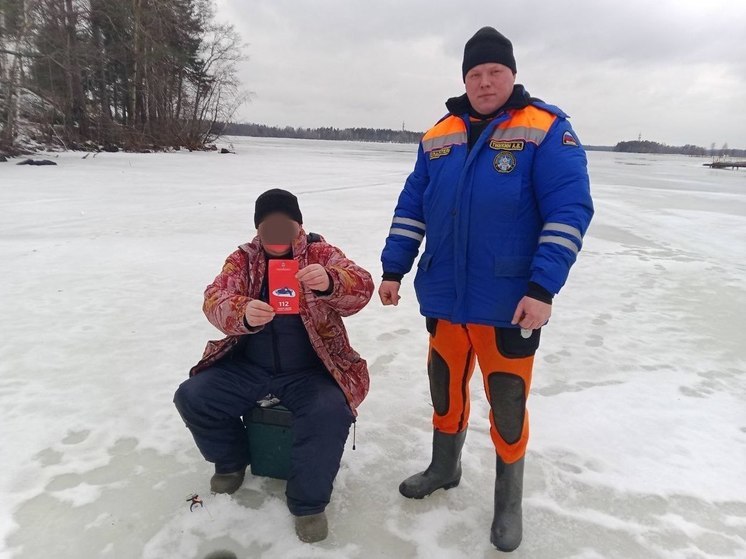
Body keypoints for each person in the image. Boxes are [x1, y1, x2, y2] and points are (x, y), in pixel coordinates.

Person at [379, 27, 594, 552]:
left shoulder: (546, 129)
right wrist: (393, 268)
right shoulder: (438, 136)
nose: (484, 82)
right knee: (444, 388)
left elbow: (569, 213)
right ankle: (444, 467)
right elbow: (412, 209)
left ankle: (507, 503)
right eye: (474, 74)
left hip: (509, 306)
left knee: (508, 402)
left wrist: (543, 288)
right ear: (464, 81)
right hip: (446, 299)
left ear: (513, 74)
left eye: (494, 71)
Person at [174, 188, 374, 543]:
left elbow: (361, 286)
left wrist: (330, 282)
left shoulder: (321, 253)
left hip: (311, 370)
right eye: (270, 227)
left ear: (298, 225)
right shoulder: (243, 259)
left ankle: (308, 504)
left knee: (330, 411)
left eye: (287, 225)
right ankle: (231, 461)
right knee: (194, 396)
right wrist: (242, 312)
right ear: (259, 230)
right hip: (249, 366)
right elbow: (214, 298)